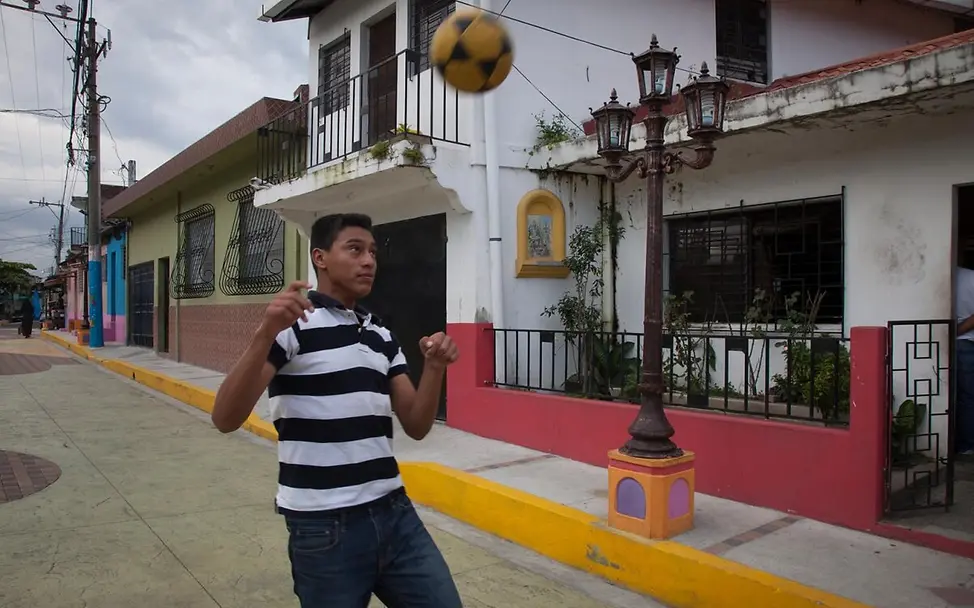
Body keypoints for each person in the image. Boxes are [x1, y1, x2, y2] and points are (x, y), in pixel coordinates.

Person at [211, 213, 462, 608]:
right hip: (324, 527)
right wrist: (264, 332)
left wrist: (433, 368)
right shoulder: (293, 327)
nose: (369, 261)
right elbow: (224, 418)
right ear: (320, 258)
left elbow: (415, 425)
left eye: (373, 253)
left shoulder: (381, 335)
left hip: (394, 513)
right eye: (355, 249)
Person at [955, 261, 974, 458]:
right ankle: (966, 444)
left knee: (958, 396)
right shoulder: (970, 277)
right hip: (966, 343)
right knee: (967, 397)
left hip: (958, 342)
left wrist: (956, 331)